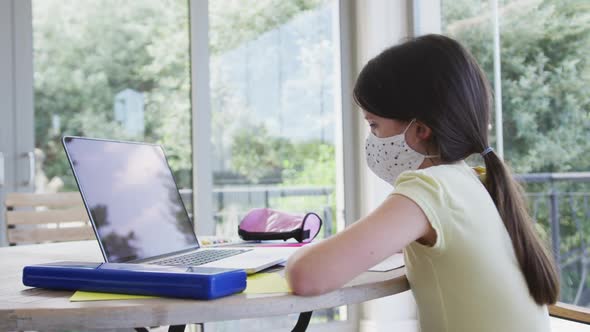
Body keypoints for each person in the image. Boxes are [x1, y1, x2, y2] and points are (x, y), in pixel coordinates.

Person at [285, 34, 559, 332]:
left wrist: (292, 256)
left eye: (374, 124)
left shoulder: (429, 188)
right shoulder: (471, 181)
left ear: (421, 130)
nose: (372, 137)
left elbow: (307, 276)